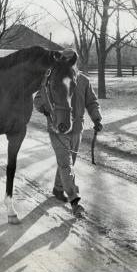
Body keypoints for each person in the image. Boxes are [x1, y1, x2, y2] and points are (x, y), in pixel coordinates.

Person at [34, 49, 103, 217]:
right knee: (66, 163)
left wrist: (97, 119)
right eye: (63, 59)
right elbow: (37, 100)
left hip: (77, 129)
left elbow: (92, 102)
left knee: (69, 161)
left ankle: (58, 189)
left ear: (74, 61)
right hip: (57, 128)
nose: (65, 61)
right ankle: (74, 200)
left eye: (69, 59)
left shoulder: (84, 81)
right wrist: (45, 110)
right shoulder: (51, 80)